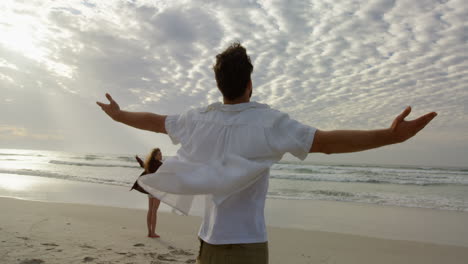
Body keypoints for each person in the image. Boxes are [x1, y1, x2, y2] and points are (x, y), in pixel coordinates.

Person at [97, 42, 437, 264]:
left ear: (220, 84)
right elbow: (328, 143)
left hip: (208, 243)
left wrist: (119, 114)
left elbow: (156, 122)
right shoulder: (268, 122)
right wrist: (390, 137)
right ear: (249, 83)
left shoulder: (198, 120)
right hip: (248, 245)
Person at [131, 148, 163, 238]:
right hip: (157, 190)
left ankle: (149, 232)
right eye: (159, 154)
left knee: (150, 210)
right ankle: (153, 232)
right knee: (154, 211)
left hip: (150, 189)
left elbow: (143, 165)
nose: (161, 155)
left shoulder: (149, 164)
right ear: (155, 156)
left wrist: (138, 159)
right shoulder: (160, 165)